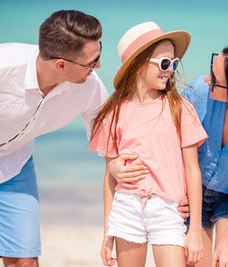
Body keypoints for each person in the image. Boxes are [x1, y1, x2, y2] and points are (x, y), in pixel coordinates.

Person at [111, 43, 228, 267]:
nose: (206, 80)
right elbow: (157, 138)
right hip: (192, 195)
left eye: (215, 79)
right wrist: (115, 165)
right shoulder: (198, 93)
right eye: (211, 69)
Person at [0, 10, 109, 267]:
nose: (98, 66)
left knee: (25, 261)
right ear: (61, 65)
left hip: (13, 163)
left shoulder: (90, 87)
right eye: (92, 62)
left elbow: (108, 137)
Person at [89, 21, 208, 267]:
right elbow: (110, 177)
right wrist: (107, 234)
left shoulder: (180, 109)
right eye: (164, 63)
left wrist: (194, 230)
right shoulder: (113, 113)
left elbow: (192, 170)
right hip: (126, 209)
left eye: (173, 64)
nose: (170, 70)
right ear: (137, 65)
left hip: (168, 210)